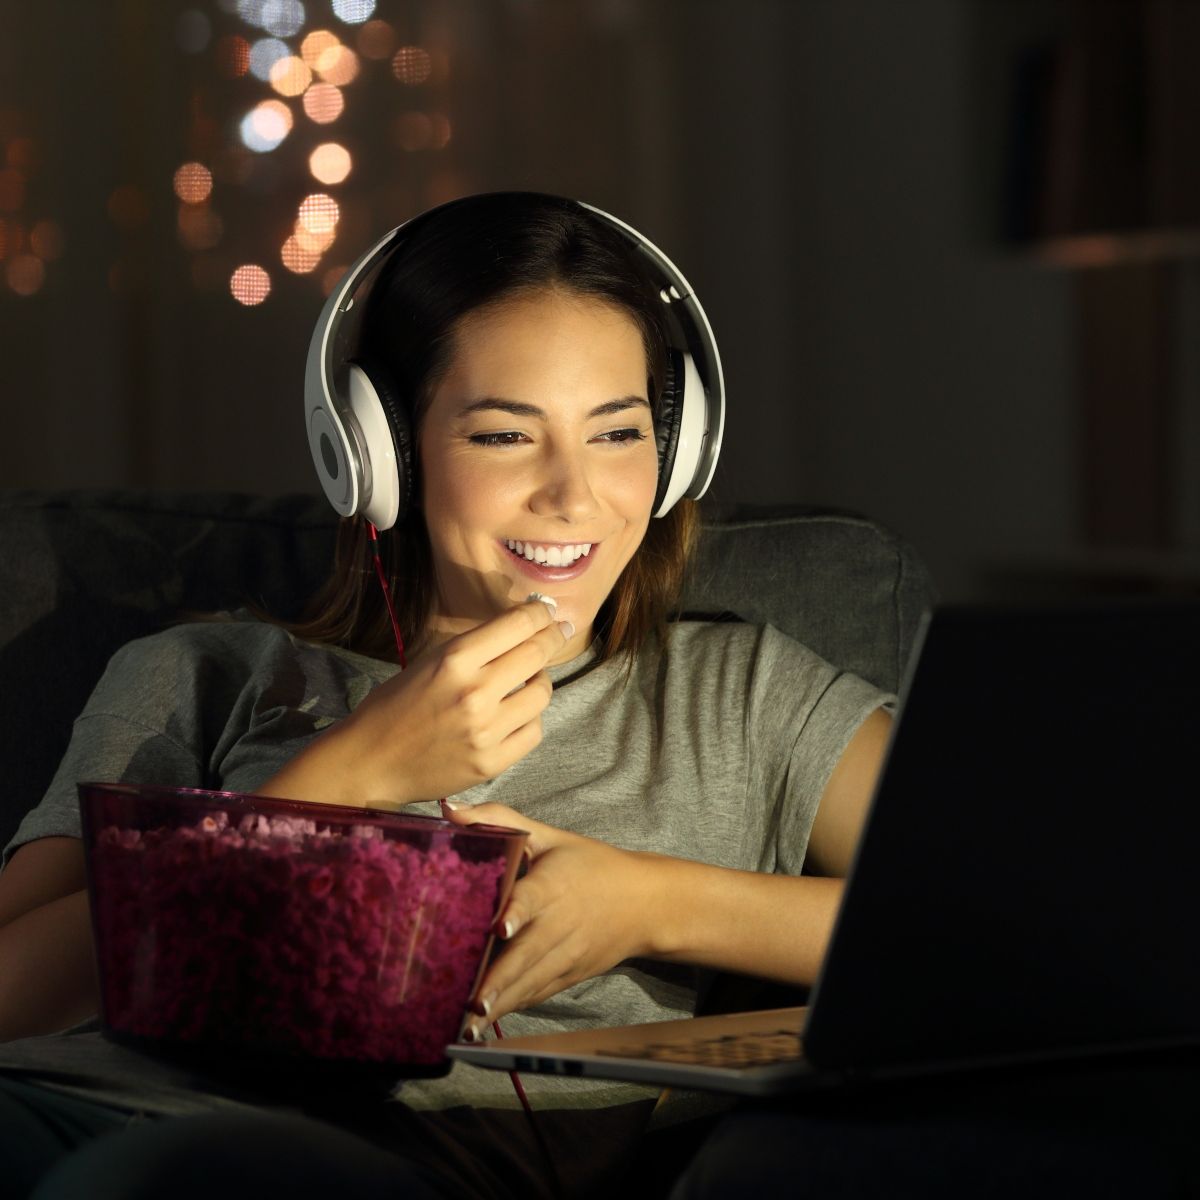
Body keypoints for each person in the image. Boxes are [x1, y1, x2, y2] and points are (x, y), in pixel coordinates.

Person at [0, 193, 892, 1199]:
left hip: (352, 1156)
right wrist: (346, 779)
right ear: (384, 454)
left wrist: (655, 901)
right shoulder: (200, 674)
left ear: (677, 452)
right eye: (505, 437)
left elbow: (1001, 936)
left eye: (618, 433)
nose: (573, 495)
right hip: (70, 1106)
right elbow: (13, 996)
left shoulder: (746, 697)